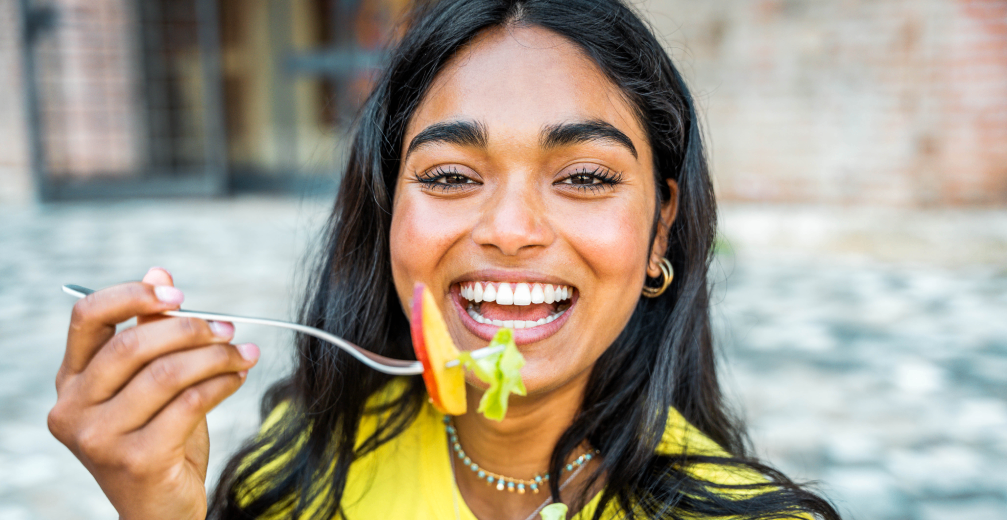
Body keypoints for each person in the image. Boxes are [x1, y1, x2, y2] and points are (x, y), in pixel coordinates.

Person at [48, 0, 841, 518]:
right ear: (388, 210)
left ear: (660, 228)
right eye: (452, 176)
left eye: (586, 177)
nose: (509, 228)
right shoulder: (296, 469)